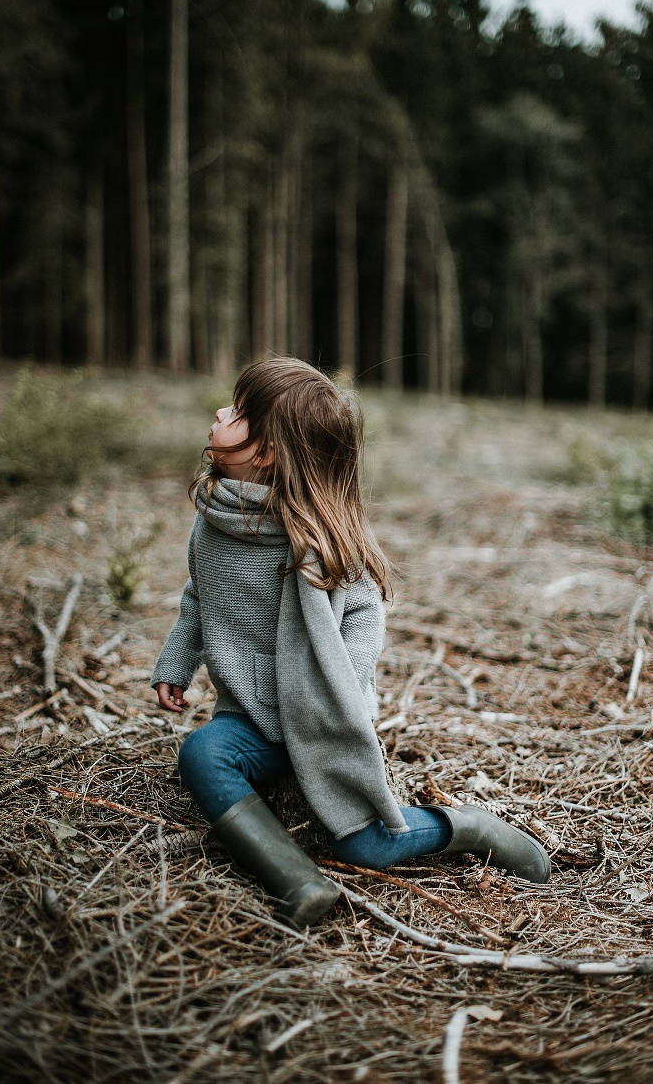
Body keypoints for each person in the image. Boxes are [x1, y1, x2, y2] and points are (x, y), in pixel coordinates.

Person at [153, 358, 550, 929]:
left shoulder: (318, 538)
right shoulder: (214, 522)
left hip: (322, 719)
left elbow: (366, 618)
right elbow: (199, 597)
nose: (220, 413)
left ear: (266, 451)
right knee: (203, 755)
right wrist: (176, 662)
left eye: (239, 411)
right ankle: (295, 877)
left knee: (364, 847)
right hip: (253, 721)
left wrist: (339, 686)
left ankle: (467, 827)